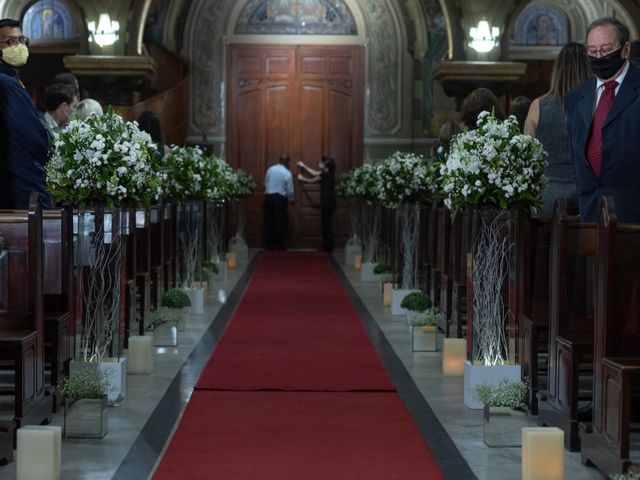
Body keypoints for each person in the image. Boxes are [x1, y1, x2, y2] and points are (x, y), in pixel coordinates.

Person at [565, 17, 640, 223]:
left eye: (606, 50)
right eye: (592, 51)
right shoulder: (575, 98)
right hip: (590, 213)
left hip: (633, 213)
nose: (599, 57)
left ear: (625, 49)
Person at [525, 42, 591, 217]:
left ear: (558, 70)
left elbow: (527, 157)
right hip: (585, 197)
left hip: (547, 198)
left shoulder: (537, 106)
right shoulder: (597, 104)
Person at [0, 18, 51, 208]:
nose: (18, 46)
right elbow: (31, 135)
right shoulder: (6, 82)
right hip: (19, 181)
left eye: (21, 40)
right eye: (10, 41)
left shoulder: (13, 80)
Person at [297, 156, 336, 252]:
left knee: (326, 225)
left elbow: (311, 180)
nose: (319, 163)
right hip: (330, 202)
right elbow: (314, 173)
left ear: (326, 166)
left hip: (326, 202)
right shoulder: (329, 174)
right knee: (327, 224)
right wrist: (304, 166)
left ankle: (327, 247)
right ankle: (328, 246)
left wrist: (301, 178)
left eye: (322, 163)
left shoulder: (325, 175)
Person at [263, 154, 294, 250]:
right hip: (280, 198)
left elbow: (265, 182)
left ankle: (269, 245)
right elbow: (290, 190)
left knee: (269, 220)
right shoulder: (287, 173)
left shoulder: (270, 169)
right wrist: (291, 199)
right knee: (279, 222)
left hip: (268, 197)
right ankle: (279, 246)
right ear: (287, 162)